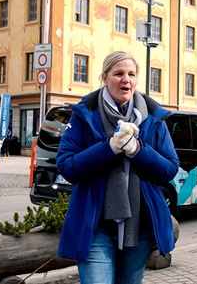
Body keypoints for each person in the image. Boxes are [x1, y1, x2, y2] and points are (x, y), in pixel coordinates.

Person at [56, 51, 180, 284]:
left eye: (131, 74)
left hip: (139, 226)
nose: (126, 79)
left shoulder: (153, 117)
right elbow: (67, 166)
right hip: (96, 227)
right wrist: (109, 148)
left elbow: (170, 168)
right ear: (104, 78)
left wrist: (137, 151)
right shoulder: (85, 114)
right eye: (118, 73)